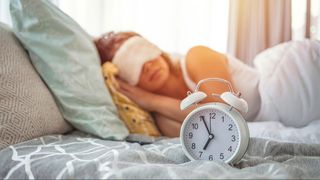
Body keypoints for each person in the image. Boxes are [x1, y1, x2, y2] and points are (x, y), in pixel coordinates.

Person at [95, 31, 320, 137]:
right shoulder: (163, 117)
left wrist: (152, 100)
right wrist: (151, 105)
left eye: (140, 51)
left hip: (293, 82)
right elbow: (217, 136)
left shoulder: (196, 56)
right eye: (130, 66)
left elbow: (223, 115)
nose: (147, 65)